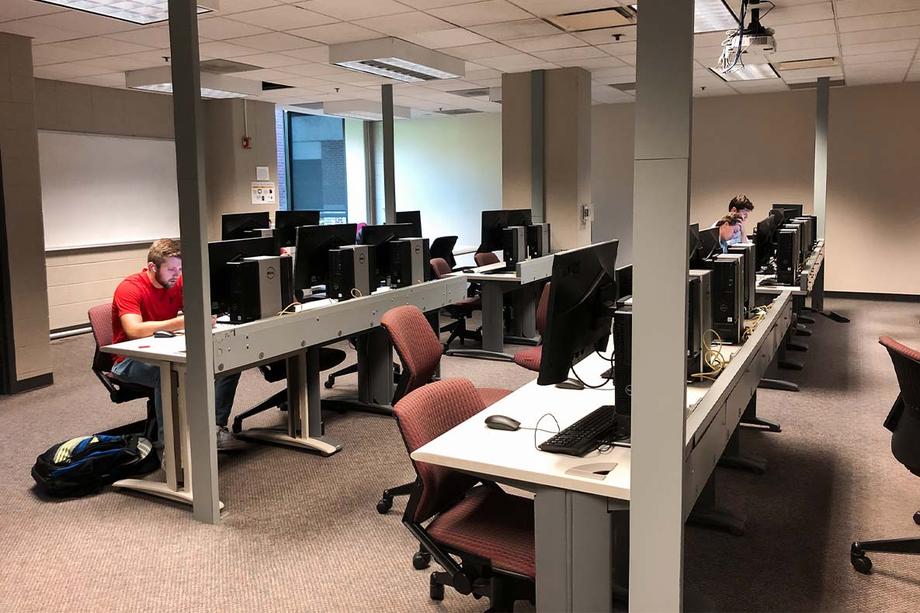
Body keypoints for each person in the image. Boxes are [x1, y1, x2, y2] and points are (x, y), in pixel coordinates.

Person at [110, 238, 245, 451]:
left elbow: (200, 306)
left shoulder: (176, 282)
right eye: (171, 269)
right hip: (128, 359)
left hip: (165, 347)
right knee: (171, 374)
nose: (177, 274)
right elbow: (133, 330)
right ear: (152, 267)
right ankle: (171, 449)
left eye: (180, 269)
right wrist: (180, 322)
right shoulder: (130, 288)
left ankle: (215, 427)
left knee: (229, 363)